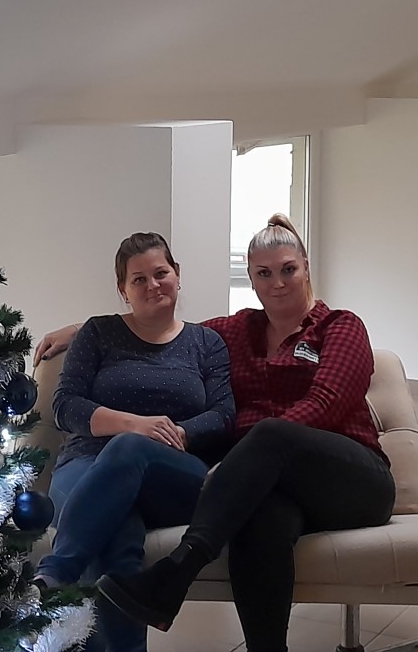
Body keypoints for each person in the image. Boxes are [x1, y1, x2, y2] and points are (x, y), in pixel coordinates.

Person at [33, 215, 395, 652]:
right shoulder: (238, 331)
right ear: (252, 279)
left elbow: (325, 404)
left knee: (271, 434)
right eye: (264, 273)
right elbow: (158, 324)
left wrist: (240, 460)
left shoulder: (340, 326)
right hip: (273, 486)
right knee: (259, 522)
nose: (278, 283)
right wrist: (83, 330)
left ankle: (177, 573)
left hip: (351, 480)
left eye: (288, 269)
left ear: (306, 267)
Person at [35, 231, 235, 652]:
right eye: (138, 279)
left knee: (128, 448)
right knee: (116, 535)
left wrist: (176, 433)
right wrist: (134, 424)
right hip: (87, 463)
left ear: (177, 274)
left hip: (173, 472)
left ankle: (57, 571)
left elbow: (223, 415)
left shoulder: (206, 343)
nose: (152, 285)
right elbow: (65, 406)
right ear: (122, 290)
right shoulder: (98, 333)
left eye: (160, 273)